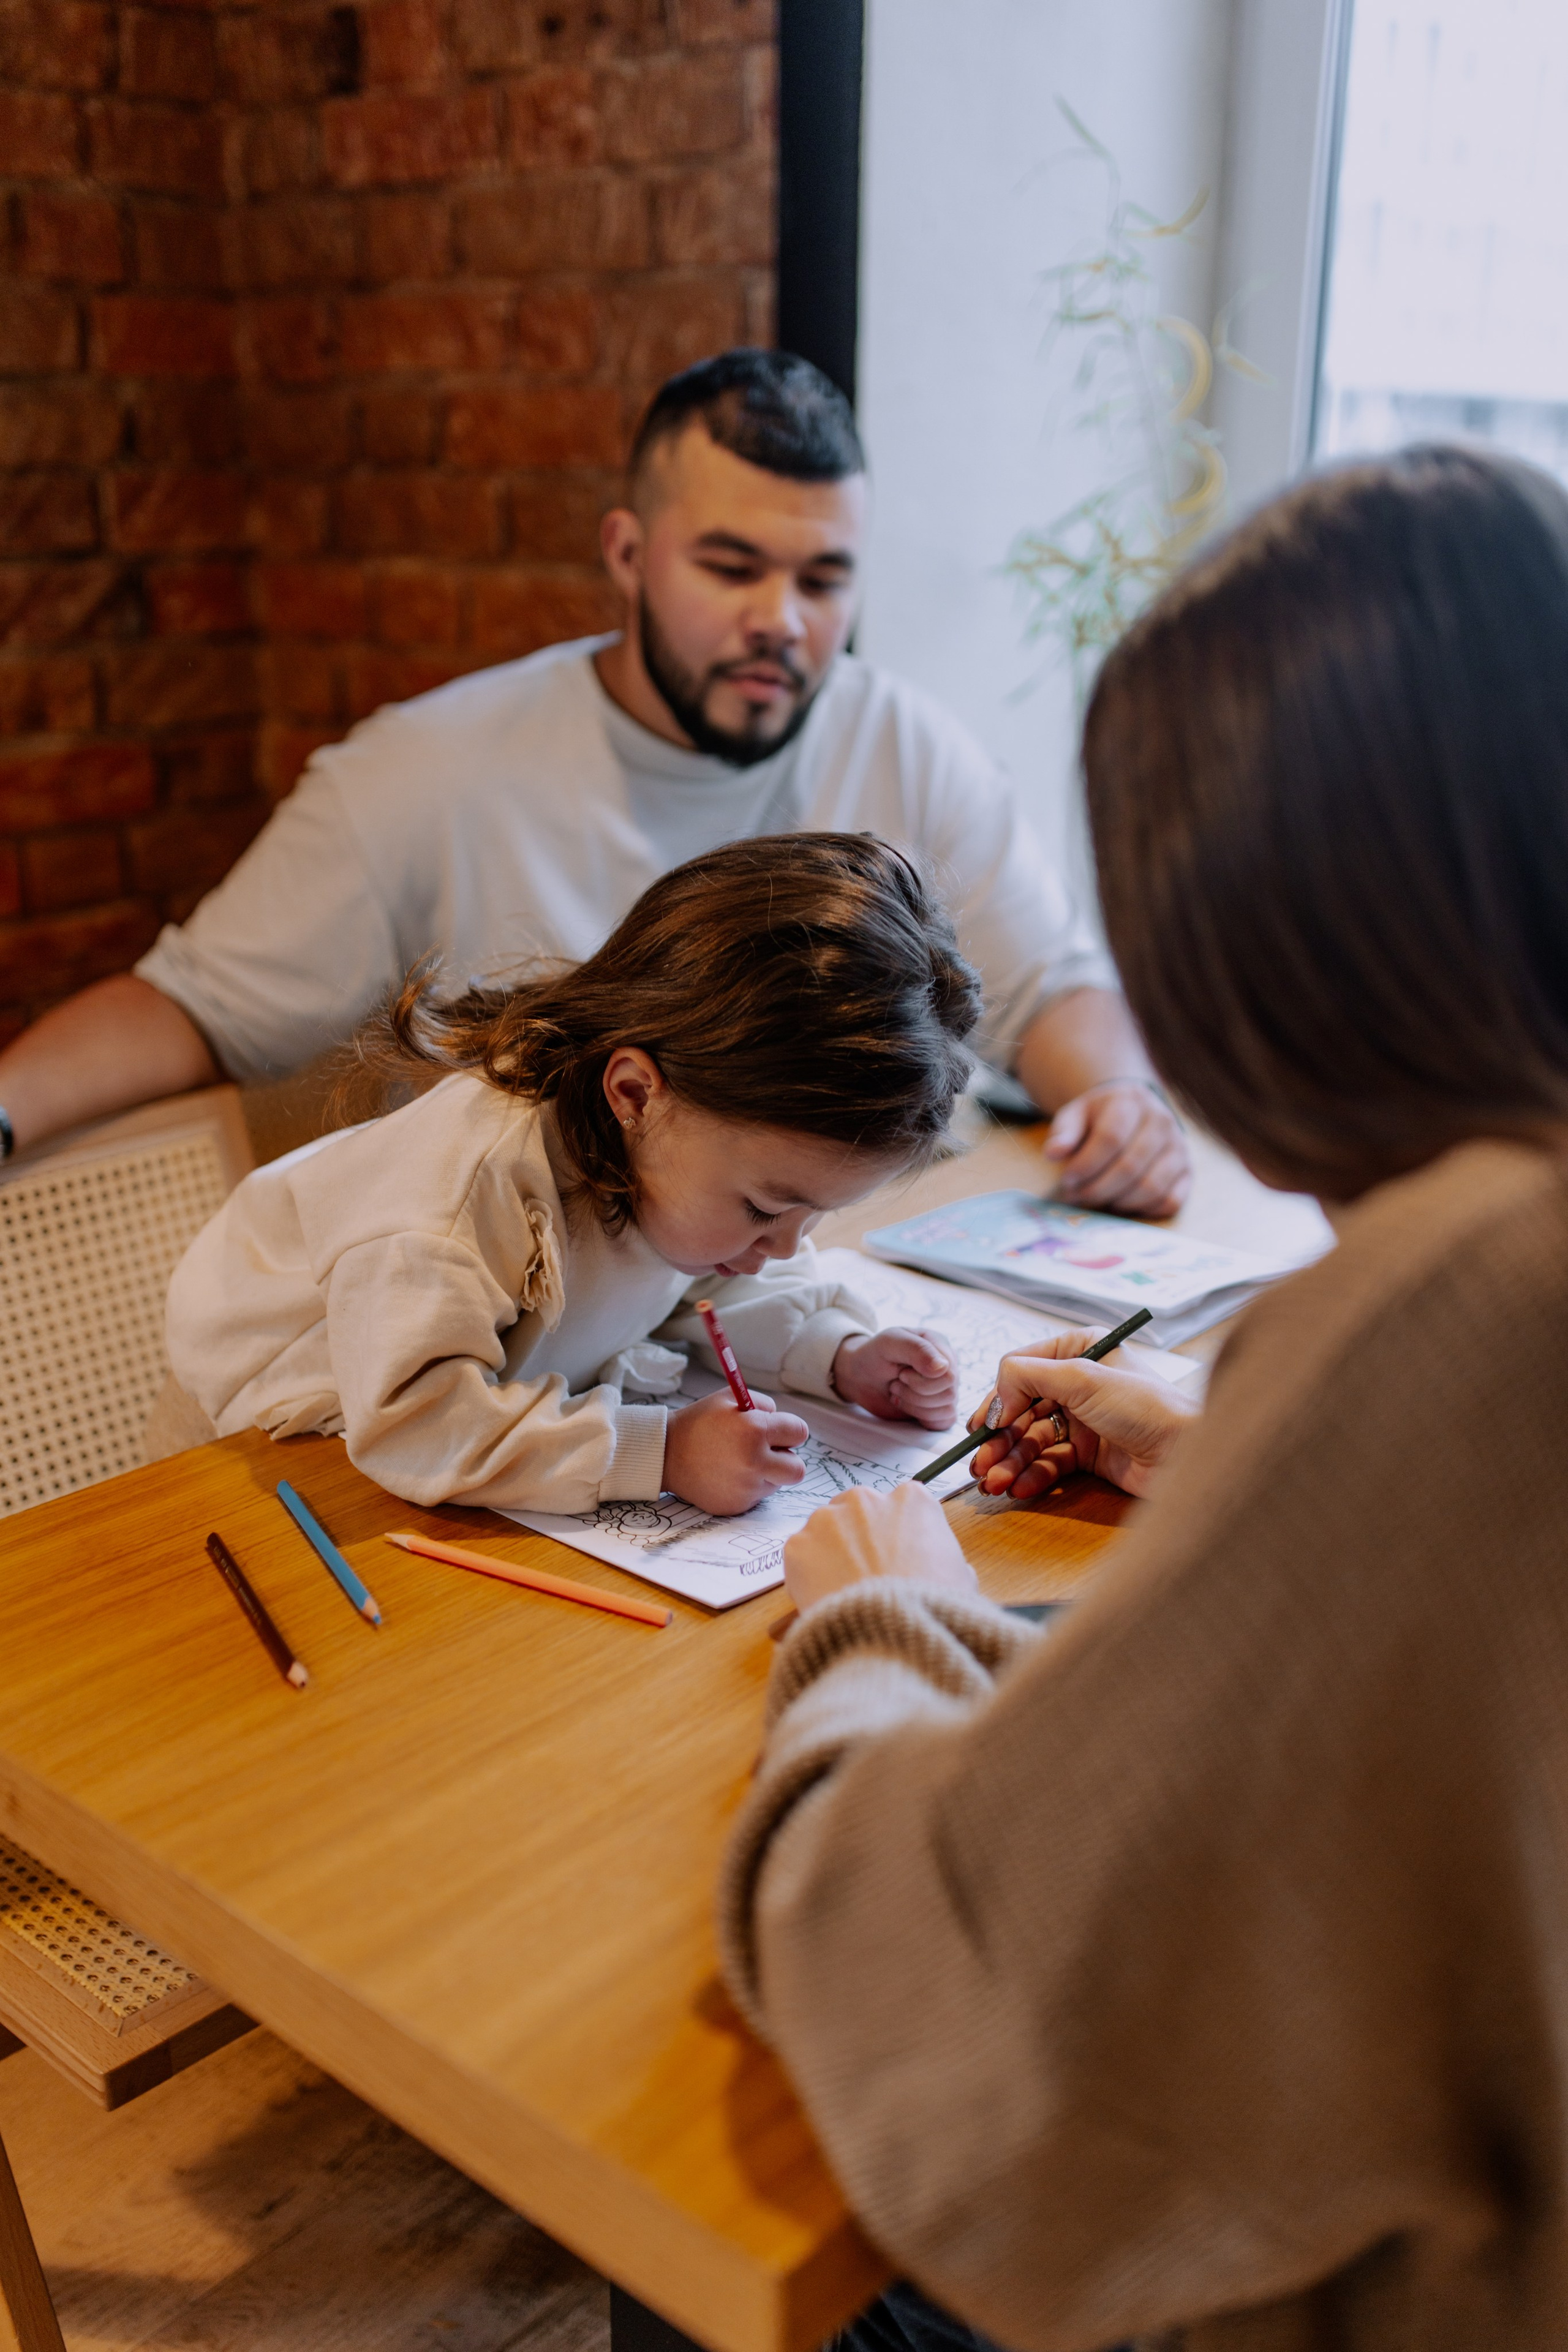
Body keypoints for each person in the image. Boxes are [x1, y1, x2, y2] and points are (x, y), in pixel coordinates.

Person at [717, 448, 1568, 2350]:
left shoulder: (1475, 1288)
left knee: (729, 2221)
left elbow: (975, 2046)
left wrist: (883, 1612)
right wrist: (1237, 1463)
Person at [0, 350, 1188, 1218]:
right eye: (730, 566)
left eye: (823, 580)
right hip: (523, 1348)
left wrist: (1122, 1104)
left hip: (833, 1318)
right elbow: (192, 1006)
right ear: (625, 553)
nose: (780, 621)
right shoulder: (425, 773)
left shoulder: (905, 744)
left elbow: (1050, 994)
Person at [164, 835, 974, 1513]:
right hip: (265, 1457)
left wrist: (837, 1352)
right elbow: (417, 1423)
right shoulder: (452, 1205)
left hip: (430, 1442)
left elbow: (702, 1289)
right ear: (634, 1094)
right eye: (766, 1208)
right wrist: (656, 1456)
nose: (782, 1248)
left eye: (813, 1218)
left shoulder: (681, 1161)